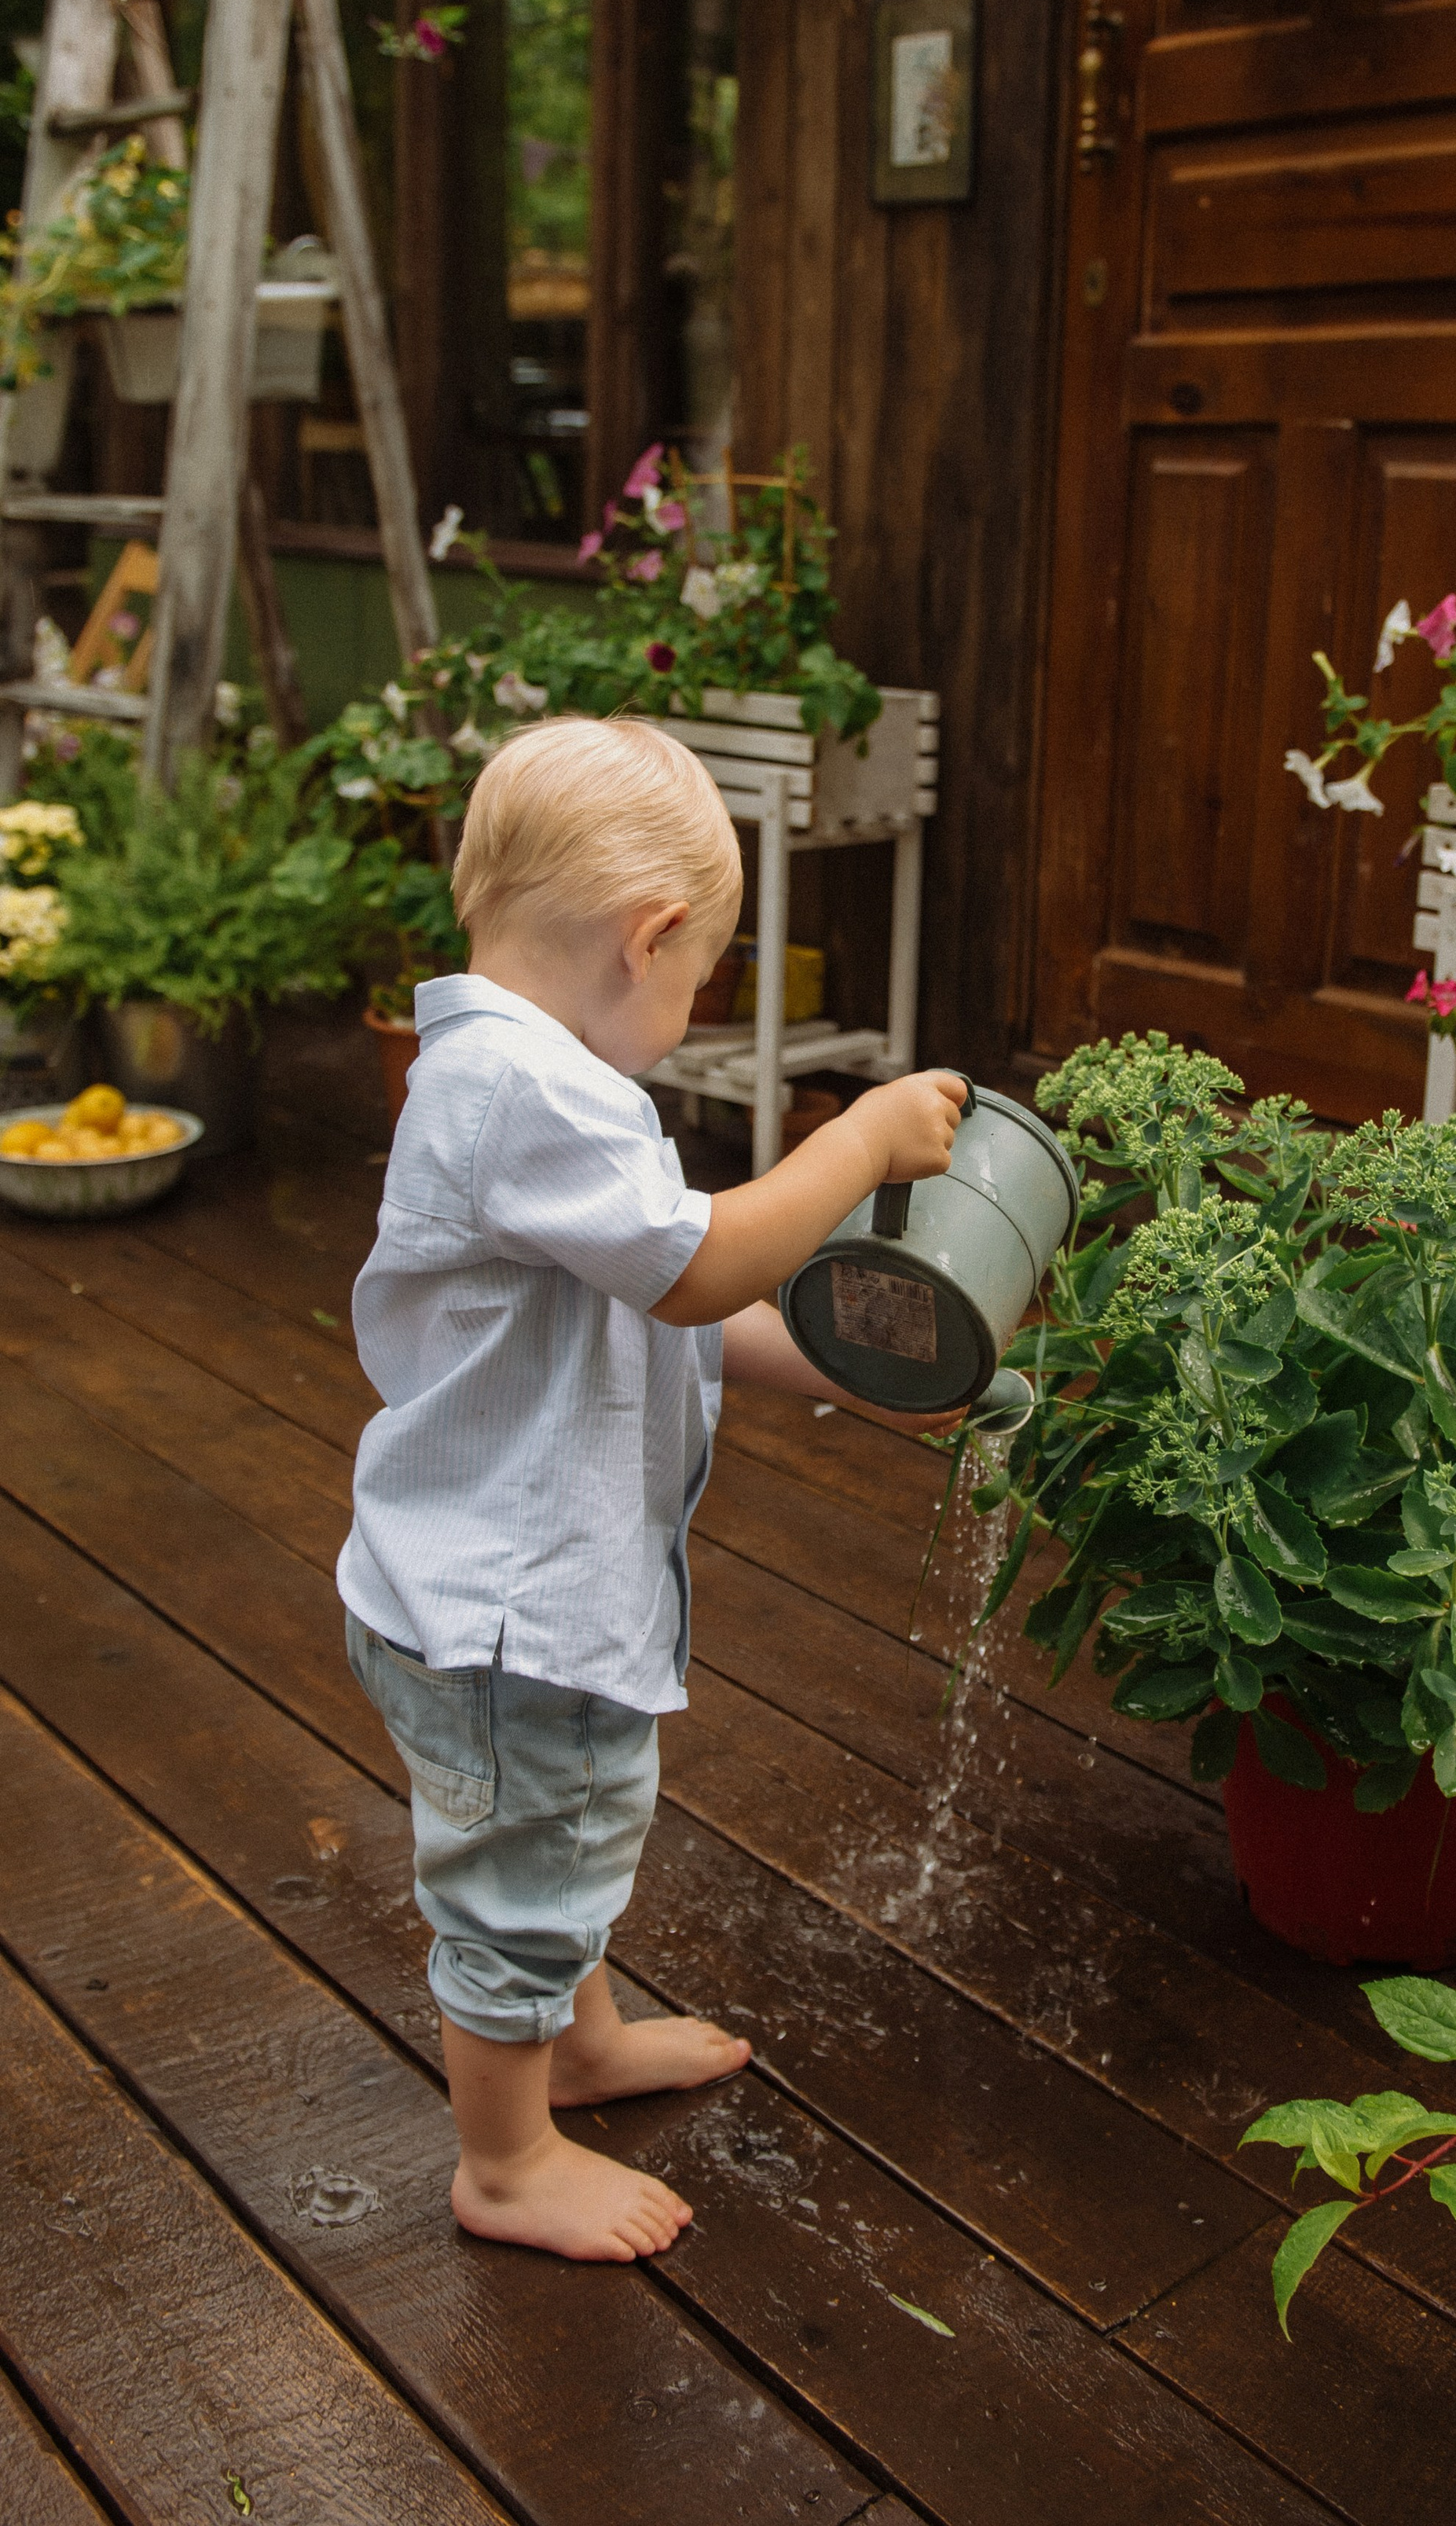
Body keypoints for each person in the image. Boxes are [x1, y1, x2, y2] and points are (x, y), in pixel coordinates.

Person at [337, 714, 966, 2262]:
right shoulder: (519, 1095)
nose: (693, 1009)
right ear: (650, 936)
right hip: (504, 1612)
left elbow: (666, 1302)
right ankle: (504, 2160)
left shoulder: (522, 1079)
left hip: (521, 1588)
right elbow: (695, 1263)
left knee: (571, 1829)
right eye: (703, 977)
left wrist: (837, 1363)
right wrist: (856, 1140)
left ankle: (581, 2043)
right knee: (521, 1874)